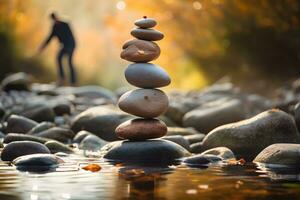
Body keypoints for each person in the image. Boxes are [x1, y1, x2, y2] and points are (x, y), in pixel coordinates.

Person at [38, 12, 77, 86]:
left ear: (57, 17)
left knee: (69, 62)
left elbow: (70, 37)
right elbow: (49, 38)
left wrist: (67, 47)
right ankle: (62, 79)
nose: (55, 20)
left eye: (55, 18)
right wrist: (42, 47)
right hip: (64, 46)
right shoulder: (55, 28)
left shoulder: (65, 24)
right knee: (58, 58)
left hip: (71, 45)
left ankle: (73, 82)